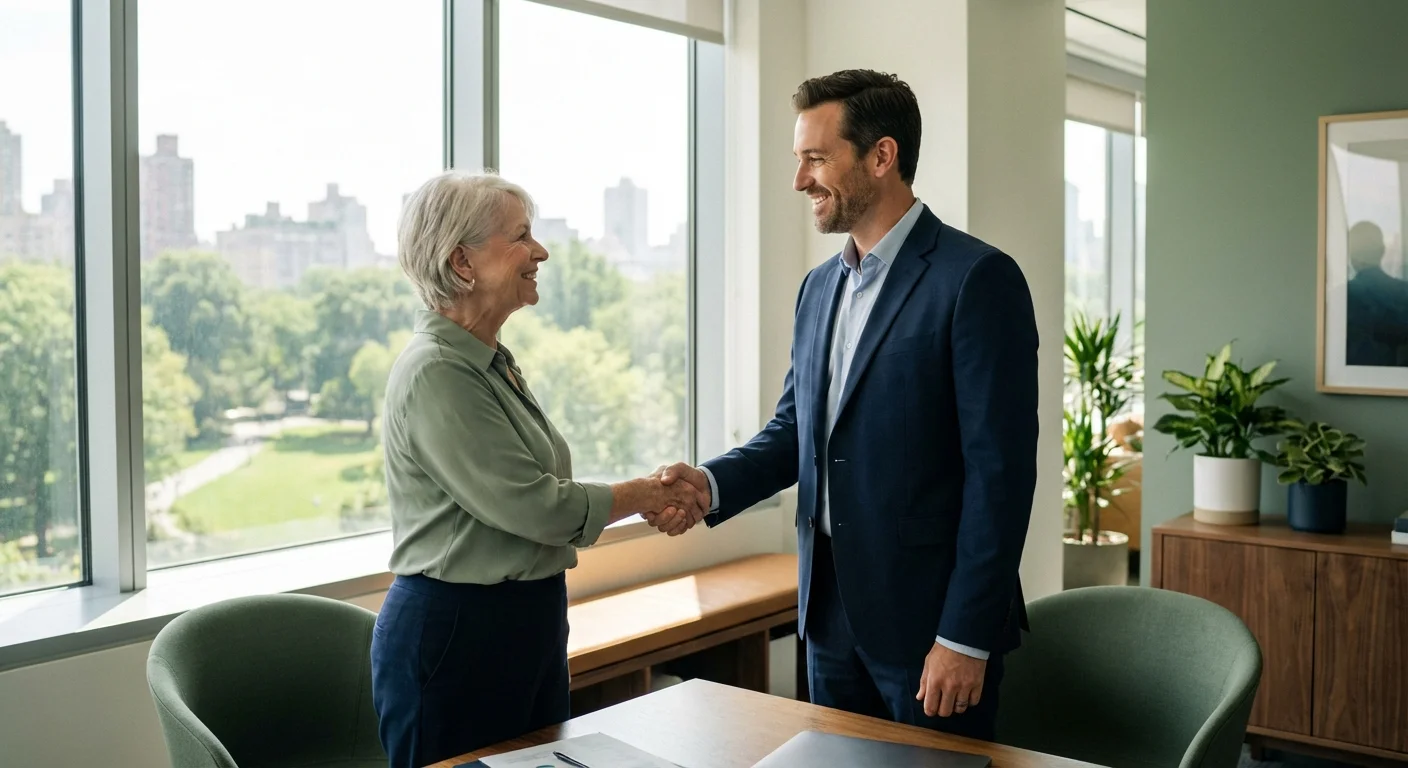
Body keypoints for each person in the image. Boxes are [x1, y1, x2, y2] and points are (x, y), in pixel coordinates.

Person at [659, 69, 1039, 742]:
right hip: (829, 617)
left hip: (931, 630)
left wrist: (965, 636)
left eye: (815, 158)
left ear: (881, 156)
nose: (800, 180)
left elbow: (1000, 477)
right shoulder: (817, 289)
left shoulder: (977, 280)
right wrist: (709, 484)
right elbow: (796, 432)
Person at [370, 170, 707, 768]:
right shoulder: (437, 372)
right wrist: (646, 495)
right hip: (457, 635)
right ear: (462, 262)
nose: (541, 252)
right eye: (520, 237)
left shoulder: (488, 361)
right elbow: (534, 505)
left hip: (523, 622)